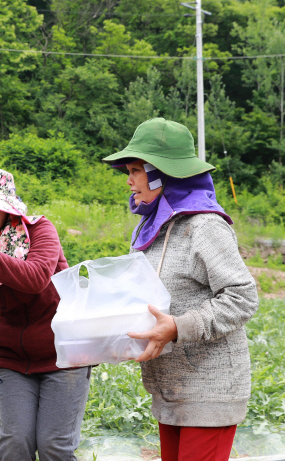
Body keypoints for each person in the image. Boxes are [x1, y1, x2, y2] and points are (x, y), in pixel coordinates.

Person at [102, 118, 258, 461]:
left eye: (134, 170)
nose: (128, 180)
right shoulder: (150, 228)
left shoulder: (205, 226)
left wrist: (177, 327)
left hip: (210, 390)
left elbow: (242, 297)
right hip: (170, 387)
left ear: (161, 173)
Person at [0, 168, 92, 461]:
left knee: (54, 446)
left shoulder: (39, 230)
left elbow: (36, 277)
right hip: (12, 358)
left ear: (7, 206)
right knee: (15, 444)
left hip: (64, 354)